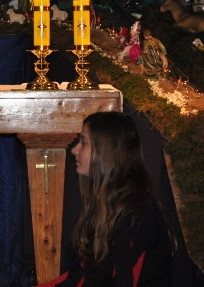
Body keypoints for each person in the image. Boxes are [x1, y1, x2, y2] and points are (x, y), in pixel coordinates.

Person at [40, 112, 176, 287]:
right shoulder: (109, 207)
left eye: (83, 143)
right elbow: (81, 275)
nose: (74, 150)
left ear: (105, 152)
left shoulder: (135, 215)